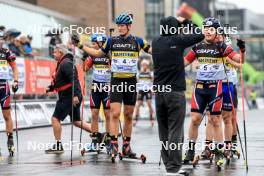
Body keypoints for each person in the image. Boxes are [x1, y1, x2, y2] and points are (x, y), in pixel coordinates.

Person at [71, 12, 151, 160]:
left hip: (131, 82)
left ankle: (126, 146)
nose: (120, 28)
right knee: (114, 114)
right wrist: (80, 45)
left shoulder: (138, 41)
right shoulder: (111, 41)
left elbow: (153, 51)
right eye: (118, 25)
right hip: (116, 81)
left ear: (129, 26)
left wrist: (168, 48)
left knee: (128, 115)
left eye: (122, 25)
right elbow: (96, 52)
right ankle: (113, 143)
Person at [183, 17, 244, 168]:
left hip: (215, 89)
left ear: (216, 31)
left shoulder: (222, 46)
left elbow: (239, 60)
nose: (208, 32)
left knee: (216, 120)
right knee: (195, 119)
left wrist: (242, 50)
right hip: (199, 88)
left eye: (211, 29)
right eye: (205, 28)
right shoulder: (198, 47)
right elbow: (184, 62)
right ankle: (190, 150)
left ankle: (218, 151)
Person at [152, 16, 204, 175]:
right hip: (175, 92)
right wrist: (186, 22)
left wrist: (177, 25)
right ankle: (174, 169)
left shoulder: (156, 42)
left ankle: (169, 167)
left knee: (164, 131)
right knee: (175, 130)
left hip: (159, 92)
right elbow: (199, 34)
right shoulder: (178, 40)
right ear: (174, 29)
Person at [45, 44, 91, 154]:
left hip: (69, 95)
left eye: (55, 52)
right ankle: (98, 134)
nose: (53, 54)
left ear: (60, 53)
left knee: (55, 119)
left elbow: (73, 78)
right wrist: (51, 87)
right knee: (77, 121)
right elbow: (62, 80)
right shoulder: (63, 63)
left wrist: (75, 95)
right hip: (70, 94)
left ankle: (58, 146)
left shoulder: (66, 63)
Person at [82, 33, 111, 152]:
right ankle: (94, 141)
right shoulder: (93, 56)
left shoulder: (109, 55)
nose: (93, 46)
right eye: (92, 44)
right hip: (95, 87)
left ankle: (109, 141)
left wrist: (111, 66)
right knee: (94, 114)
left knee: (108, 115)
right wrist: (85, 58)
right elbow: (85, 69)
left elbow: (116, 69)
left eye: (94, 43)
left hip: (107, 88)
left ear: (101, 43)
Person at [0, 30, 19, 156]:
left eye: (2, 39)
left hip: (3, 87)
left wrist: (16, 81)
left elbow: (14, 67)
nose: (1, 41)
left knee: (7, 115)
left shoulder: (6, 52)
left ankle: (10, 140)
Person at [133, 59, 154, 127]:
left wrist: (153, 89)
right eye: (143, 65)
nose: (144, 66)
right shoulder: (139, 73)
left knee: (149, 104)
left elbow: (153, 81)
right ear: (141, 65)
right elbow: (137, 81)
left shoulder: (150, 73)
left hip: (148, 90)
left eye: (145, 65)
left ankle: (151, 119)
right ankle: (135, 119)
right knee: (137, 105)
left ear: (148, 66)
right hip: (141, 90)